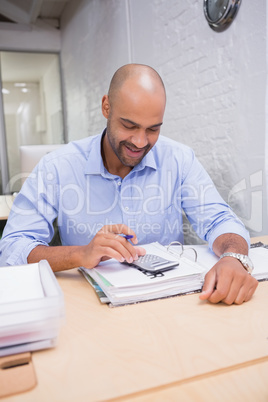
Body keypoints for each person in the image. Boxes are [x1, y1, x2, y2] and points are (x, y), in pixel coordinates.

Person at [0, 64, 258, 305]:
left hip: (170, 302)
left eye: (153, 129)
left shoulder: (178, 159)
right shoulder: (56, 167)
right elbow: (13, 247)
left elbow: (219, 220)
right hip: (90, 309)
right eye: (129, 125)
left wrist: (234, 257)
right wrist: (81, 253)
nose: (140, 141)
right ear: (106, 107)